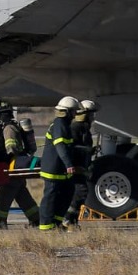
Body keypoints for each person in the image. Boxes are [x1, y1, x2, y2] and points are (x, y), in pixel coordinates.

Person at [0, 101, 40, 228]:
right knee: (22, 195)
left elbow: (11, 149)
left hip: (13, 168)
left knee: (4, 194)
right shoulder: (11, 126)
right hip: (17, 167)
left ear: (2, 115)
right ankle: (36, 219)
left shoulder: (8, 128)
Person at [38, 96, 80, 231]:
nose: (75, 114)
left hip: (60, 169)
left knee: (68, 192)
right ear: (67, 112)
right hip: (53, 169)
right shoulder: (59, 124)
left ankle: (56, 223)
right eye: (74, 111)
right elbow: (61, 146)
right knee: (50, 197)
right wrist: (69, 164)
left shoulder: (65, 124)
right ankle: (46, 227)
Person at [63, 98, 101, 229]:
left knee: (82, 193)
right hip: (76, 168)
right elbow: (72, 148)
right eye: (91, 114)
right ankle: (67, 219)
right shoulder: (76, 127)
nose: (93, 117)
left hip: (82, 167)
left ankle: (73, 221)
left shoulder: (84, 128)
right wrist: (87, 150)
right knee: (80, 192)